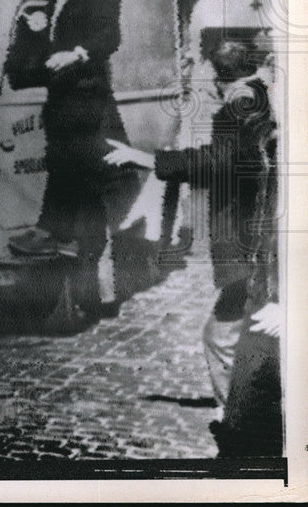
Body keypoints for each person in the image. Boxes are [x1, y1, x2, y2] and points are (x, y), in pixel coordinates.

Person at [105, 37, 279, 455]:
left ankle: (241, 423)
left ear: (216, 78)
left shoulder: (238, 105)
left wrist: (148, 159)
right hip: (258, 244)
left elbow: (217, 160)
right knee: (243, 334)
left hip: (249, 246)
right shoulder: (258, 96)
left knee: (222, 337)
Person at [6, 0, 133, 317]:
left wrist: (76, 54)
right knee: (76, 186)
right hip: (62, 104)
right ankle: (89, 293)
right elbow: (40, 45)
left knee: (81, 187)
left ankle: (83, 279)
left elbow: (109, 37)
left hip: (87, 105)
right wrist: (31, 36)